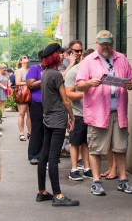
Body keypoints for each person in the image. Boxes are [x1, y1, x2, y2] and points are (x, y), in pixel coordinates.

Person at [76, 30, 132, 196]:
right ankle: (96, 181)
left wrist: (130, 84)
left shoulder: (121, 58)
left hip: (119, 111)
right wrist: (89, 83)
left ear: (113, 43)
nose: (106, 46)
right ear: (97, 43)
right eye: (103, 43)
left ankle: (123, 180)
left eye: (109, 43)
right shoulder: (89, 60)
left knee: (120, 147)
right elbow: (79, 85)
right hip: (98, 113)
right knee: (96, 148)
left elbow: (131, 78)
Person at [36, 42, 79, 207]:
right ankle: (58, 195)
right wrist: (72, 117)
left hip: (47, 118)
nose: (62, 56)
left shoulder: (45, 73)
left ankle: (42, 192)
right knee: (53, 158)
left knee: (44, 155)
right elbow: (66, 101)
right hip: (58, 119)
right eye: (60, 54)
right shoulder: (56, 75)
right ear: (54, 56)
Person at [65, 44, 92, 181]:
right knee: (75, 142)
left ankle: (87, 168)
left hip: (91, 114)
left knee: (86, 143)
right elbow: (68, 94)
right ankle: (74, 169)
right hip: (77, 113)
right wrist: (84, 94)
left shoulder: (92, 72)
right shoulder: (73, 72)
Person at [27, 50, 45, 165]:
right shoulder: (35, 68)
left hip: (50, 103)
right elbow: (30, 84)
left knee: (47, 130)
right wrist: (44, 78)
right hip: (37, 103)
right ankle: (34, 155)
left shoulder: (54, 69)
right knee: (37, 129)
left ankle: (44, 154)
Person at [15, 55, 31, 142]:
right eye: (24, 58)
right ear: (20, 61)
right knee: (22, 113)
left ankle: (30, 132)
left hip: (31, 93)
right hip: (23, 93)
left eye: (26, 57)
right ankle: (21, 133)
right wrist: (28, 83)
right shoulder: (19, 71)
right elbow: (17, 82)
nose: (26, 59)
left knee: (30, 114)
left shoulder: (30, 69)